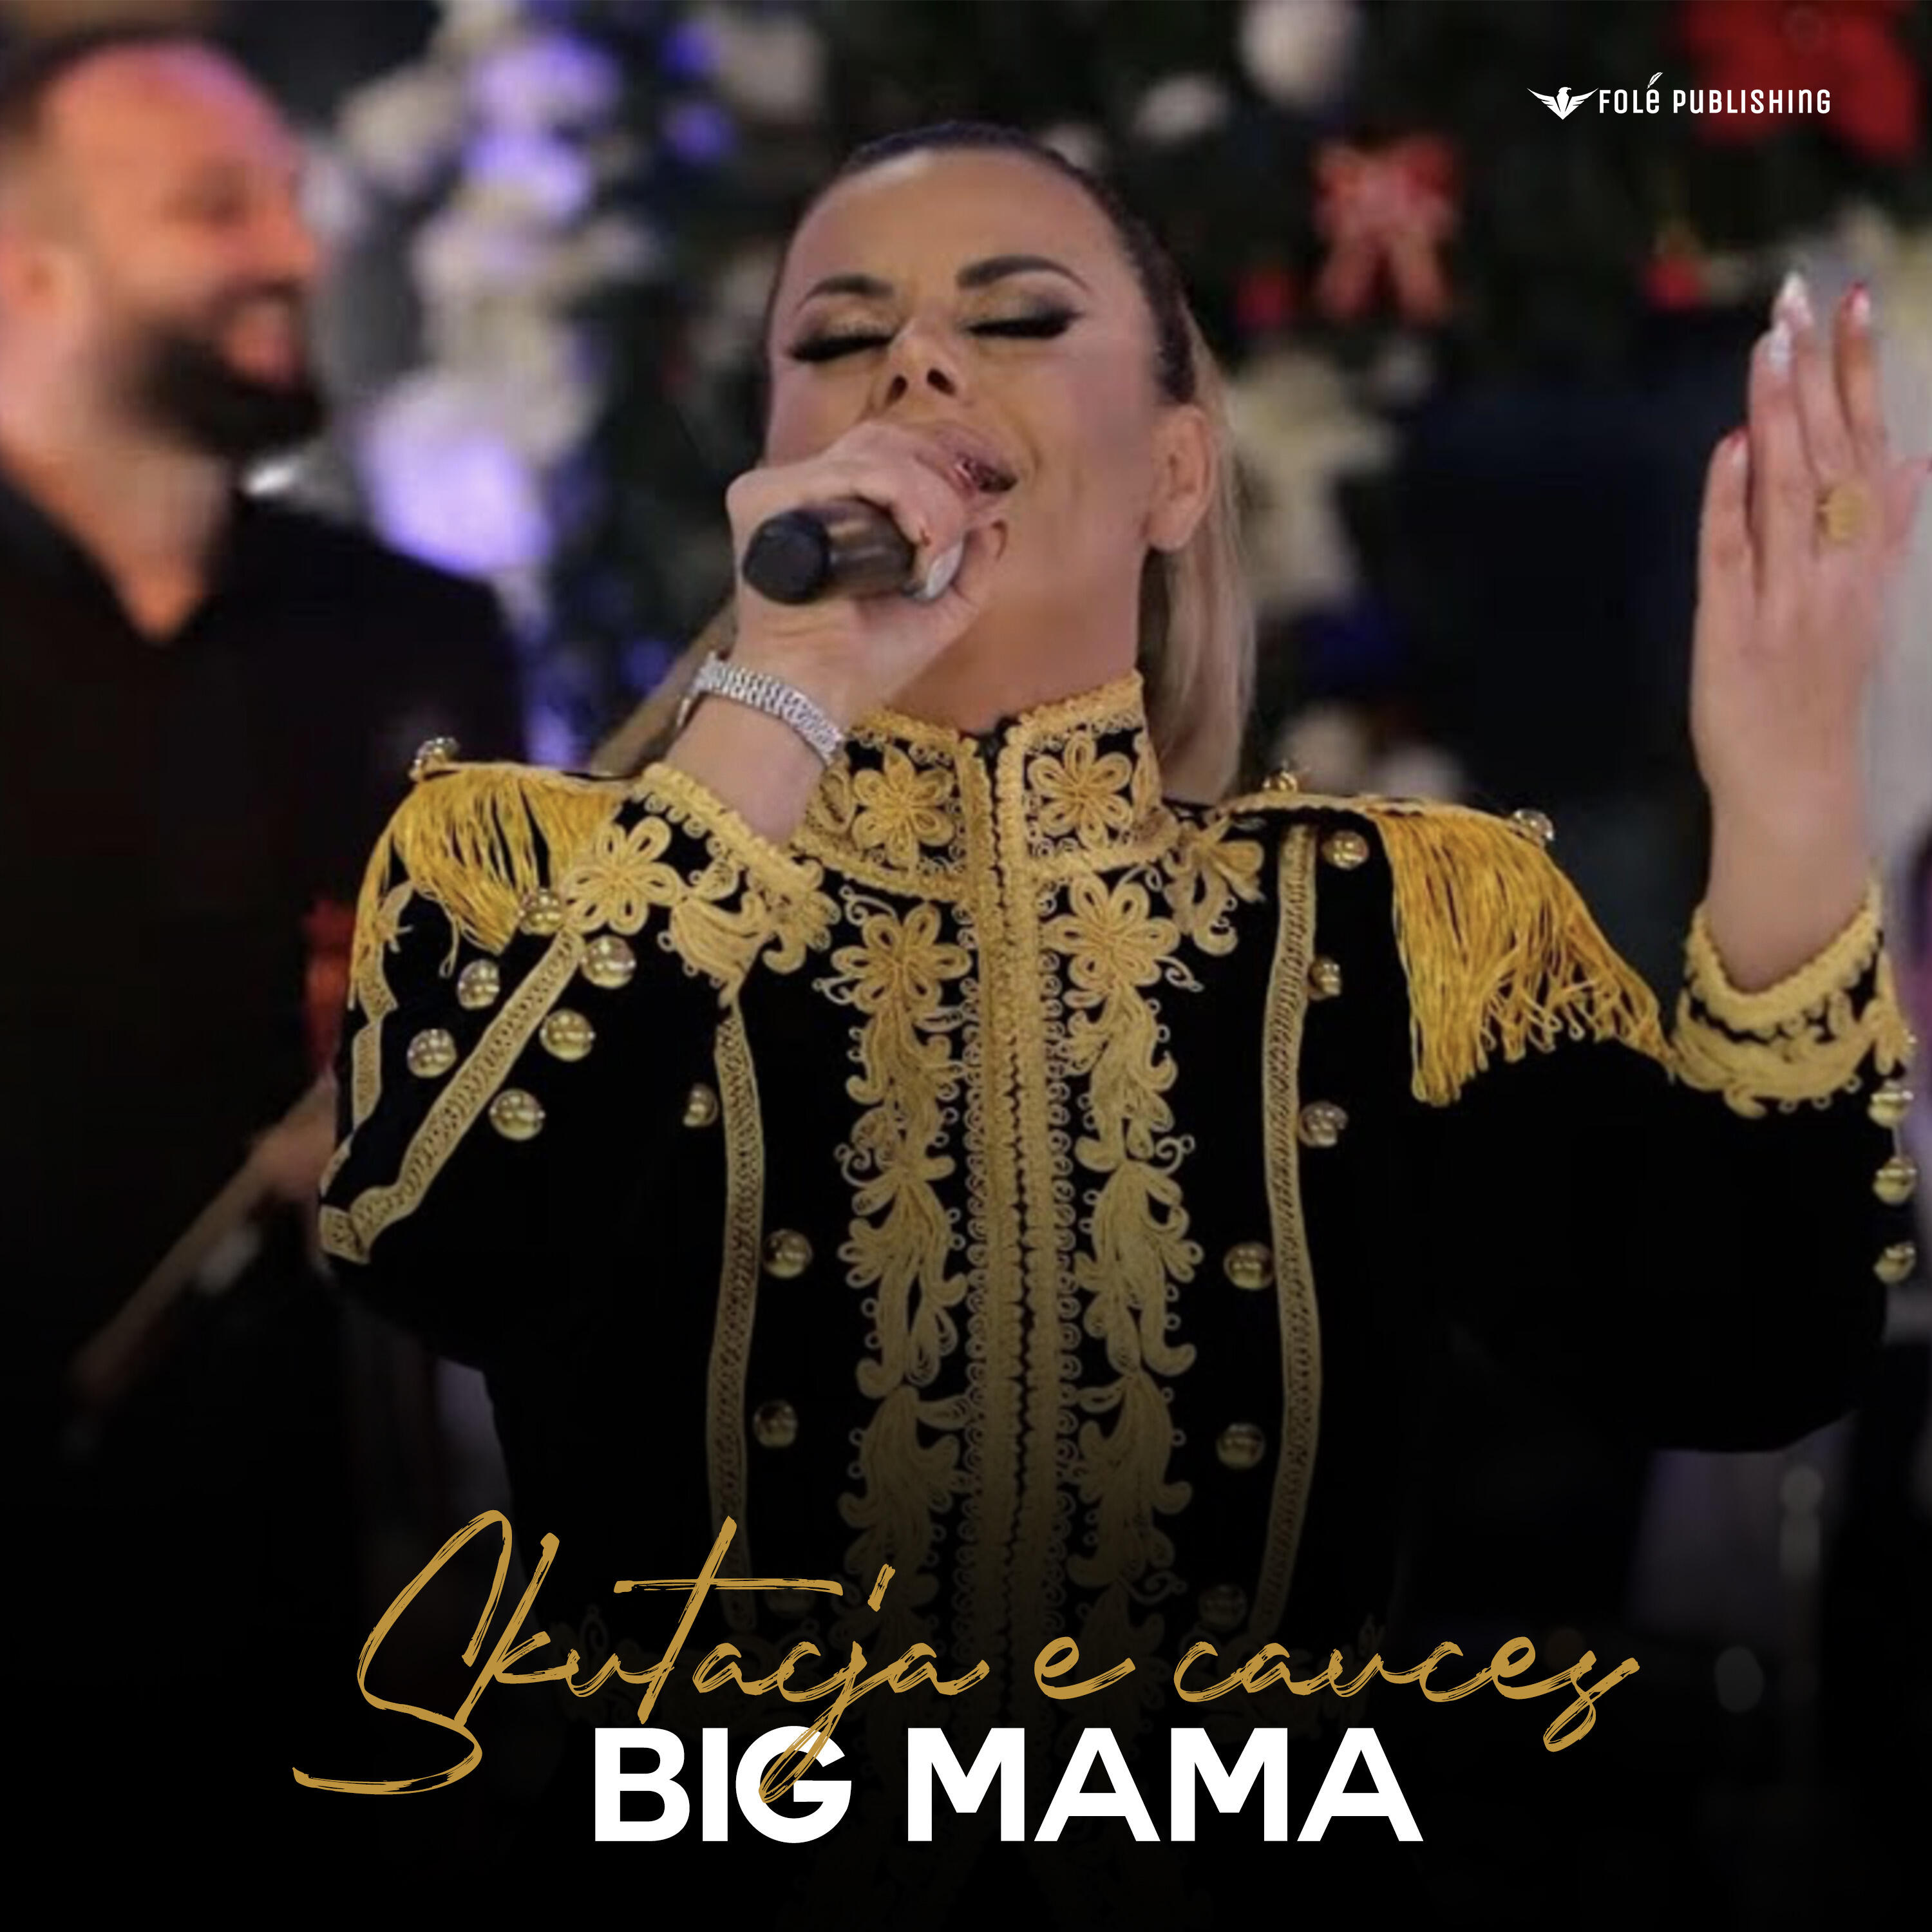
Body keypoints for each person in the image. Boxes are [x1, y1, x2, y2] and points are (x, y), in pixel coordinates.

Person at [319, 124, 1920, 1918]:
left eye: (1013, 317)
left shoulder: (1394, 925)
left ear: (1175, 471)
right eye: (840, 338)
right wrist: (788, 695)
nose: (918, 364)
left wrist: (1790, 789)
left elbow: (1750, 1349)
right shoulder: (529, 869)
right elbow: (440, 1252)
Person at [1, 23, 524, 1876]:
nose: (294, 252)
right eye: (215, 207)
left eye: (290, 199)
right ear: (27, 271)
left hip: (356, 1601)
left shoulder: (418, 638)